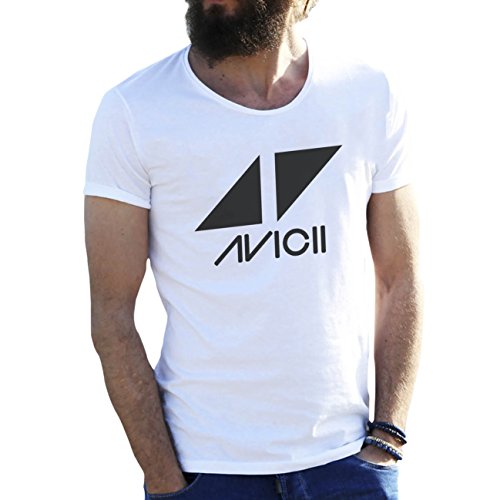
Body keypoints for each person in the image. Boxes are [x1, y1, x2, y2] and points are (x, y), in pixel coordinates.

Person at [83, 0, 424, 498]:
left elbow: (400, 278)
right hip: (205, 472)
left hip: (347, 467)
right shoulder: (134, 111)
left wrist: (387, 439)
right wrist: (165, 479)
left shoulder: (368, 95)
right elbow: (112, 313)